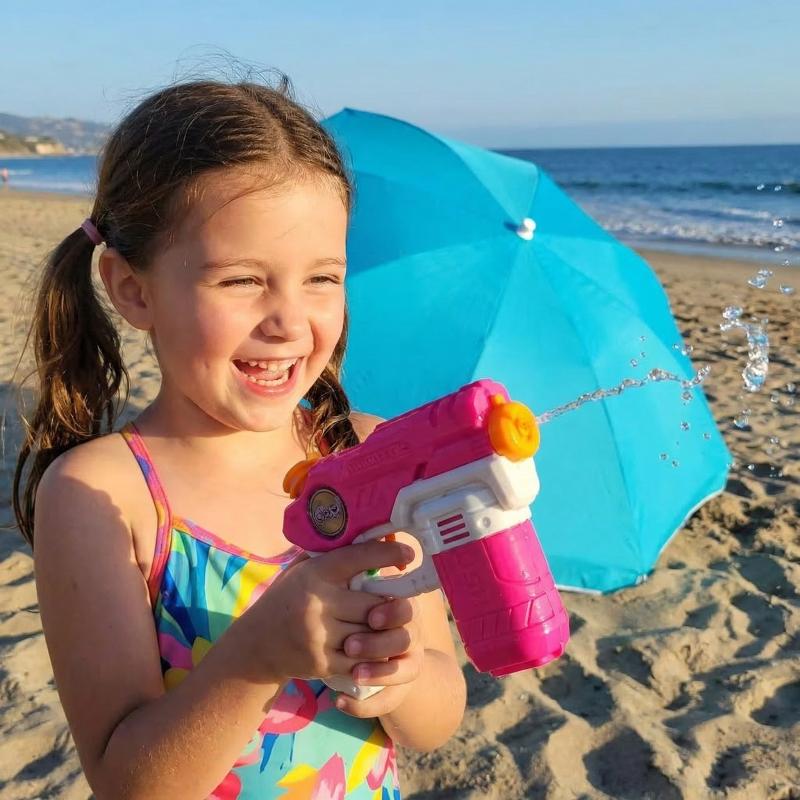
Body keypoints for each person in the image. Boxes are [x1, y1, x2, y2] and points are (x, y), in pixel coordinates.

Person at [14, 76, 466, 800]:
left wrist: (401, 677)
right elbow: (126, 782)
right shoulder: (101, 496)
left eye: (322, 278)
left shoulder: (372, 455)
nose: (289, 322)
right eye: (241, 280)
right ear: (132, 289)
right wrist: (258, 655)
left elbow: (438, 718)